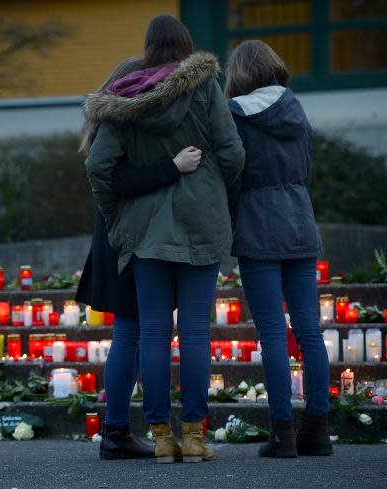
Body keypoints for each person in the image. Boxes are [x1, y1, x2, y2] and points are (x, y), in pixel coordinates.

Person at [84, 15, 244, 464]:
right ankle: (193, 437)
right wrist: (212, 187)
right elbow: (233, 152)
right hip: (201, 224)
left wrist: (118, 217)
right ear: (187, 45)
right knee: (194, 331)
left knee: (152, 331)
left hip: (146, 233)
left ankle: (159, 438)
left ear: (148, 47)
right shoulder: (205, 88)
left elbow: (98, 167)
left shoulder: (127, 98)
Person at [77, 57, 204, 460]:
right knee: (130, 332)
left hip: (117, 236)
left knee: (129, 334)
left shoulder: (107, 123)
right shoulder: (122, 124)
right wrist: (172, 167)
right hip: (125, 240)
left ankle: (115, 429)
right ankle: (115, 431)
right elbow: (121, 181)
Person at [225, 39, 331, 458]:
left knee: (272, 334)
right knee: (309, 332)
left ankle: (282, 434)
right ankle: (318, 432)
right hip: (300, 224)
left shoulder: (235, 115)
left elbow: (233, 176)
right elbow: (306, 171)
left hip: (257, 229)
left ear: (239, 72)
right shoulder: (295, 108)